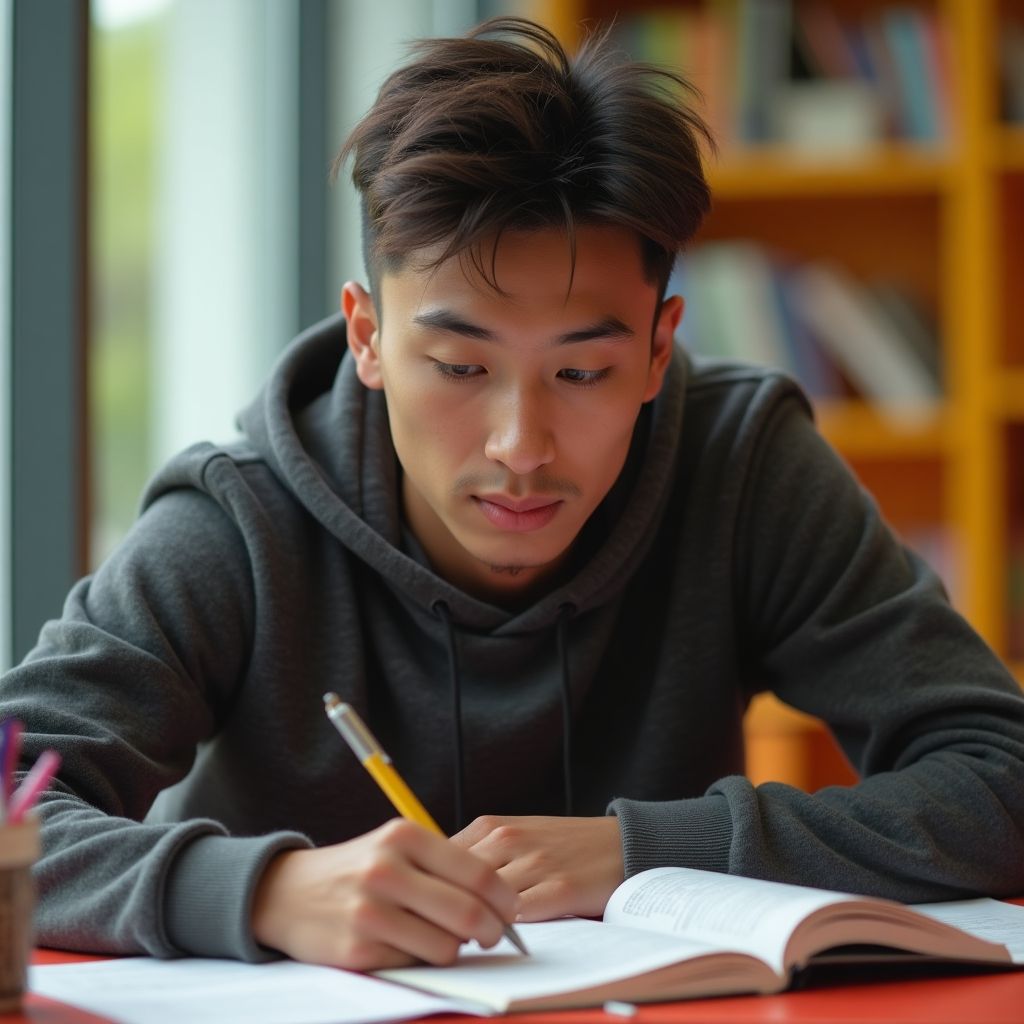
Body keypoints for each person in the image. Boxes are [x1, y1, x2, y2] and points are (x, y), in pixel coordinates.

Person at [3, 15, 1024, 971]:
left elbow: (1000, 775)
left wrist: (648, 849)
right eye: (456, 366)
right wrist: (261, 890)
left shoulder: (742, 468)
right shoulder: (240, 521)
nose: (519, 446)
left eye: (581, 373)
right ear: (367, 336)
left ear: (661, 347)